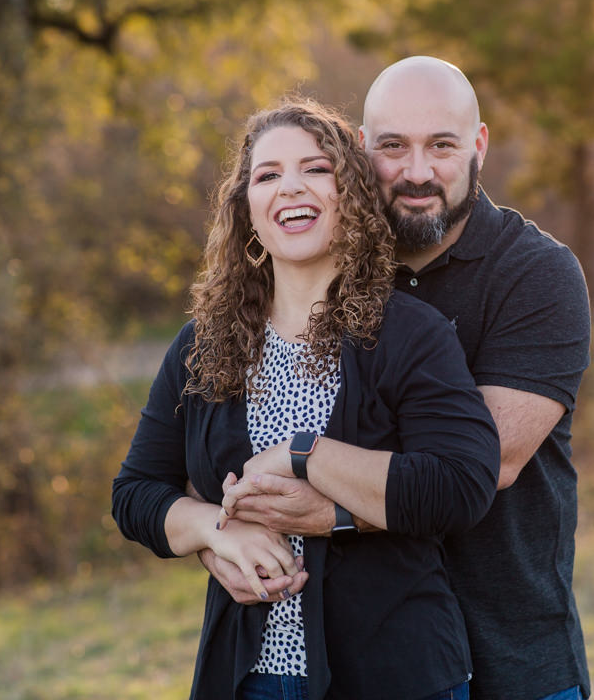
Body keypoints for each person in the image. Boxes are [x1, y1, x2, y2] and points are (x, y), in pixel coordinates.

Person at [211, 58, 593, 700]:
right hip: (377, 659)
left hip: (516, 652)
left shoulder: (537, 274)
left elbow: (484, 463)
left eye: (441, 145)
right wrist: (221, 535)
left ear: (478, 147)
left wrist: (323, 511)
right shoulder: (326, 270)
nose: (418, 172)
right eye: (393, 147)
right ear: (361, 151)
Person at [111, 99, 501, 700]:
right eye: (267, 175)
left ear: (351, 195)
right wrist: (217, 531)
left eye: (316, 169)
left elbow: (460, 484)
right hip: (248, 678)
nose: (290, 186)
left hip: (395, 674)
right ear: (247, 210)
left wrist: (302, 454)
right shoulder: (204, 344)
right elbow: (136, 492)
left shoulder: (409, 333)